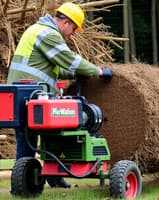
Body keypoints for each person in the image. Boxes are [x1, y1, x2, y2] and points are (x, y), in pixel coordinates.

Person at [7, 2, 113, 188]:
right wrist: (97, 72)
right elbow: (69, 60)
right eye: (74, 28)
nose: (73, 33)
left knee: (50, 138)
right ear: (66, 21)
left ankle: (53, 177)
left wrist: (71, 75)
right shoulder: (48, 34)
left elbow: (48, 67)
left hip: (21, 94)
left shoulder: (36, 30)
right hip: (29, 95)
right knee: (28, 145)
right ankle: (24, 187)